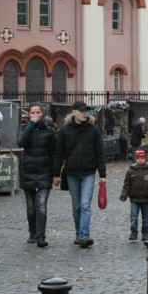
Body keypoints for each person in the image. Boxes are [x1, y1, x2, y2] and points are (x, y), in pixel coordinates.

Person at [52, 101, 107, 248]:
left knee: (85, 205)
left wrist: (102, 174)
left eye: (86, 111)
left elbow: (99, 153)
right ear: (74, 112)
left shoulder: (93, 129)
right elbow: (59, 153)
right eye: (82, 111)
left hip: (88, 172)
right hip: (71, 173)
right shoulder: (65, 130)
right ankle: (78, 234)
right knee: (76, 206)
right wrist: (56, 174)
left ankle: (84, 235)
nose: (84, 113)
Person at [17, 102, 57, 248]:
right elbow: (21, 142)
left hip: (44, 171)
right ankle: (32, 232)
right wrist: (30, 125)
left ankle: (41, 236)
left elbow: (55, 152)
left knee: (41, 205)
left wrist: (55, 173)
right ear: (29, 115)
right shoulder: (24, 128)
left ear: (42, 114)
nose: (35, 115)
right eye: (32, 112)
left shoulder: (50, 131)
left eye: (38, 112)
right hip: (28, 171)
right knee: (31, 208)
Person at [119, 150, 148, 241]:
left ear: (146, 158)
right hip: (134, 199)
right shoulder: (131, 171)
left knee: (146, 218)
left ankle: (145, 233)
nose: (140, 160)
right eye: (138, 158)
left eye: (142, 158)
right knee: (133, 217)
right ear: (135, 159)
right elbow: (127, 185)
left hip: (146, 199)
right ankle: (133, 232)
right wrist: (124, 195)